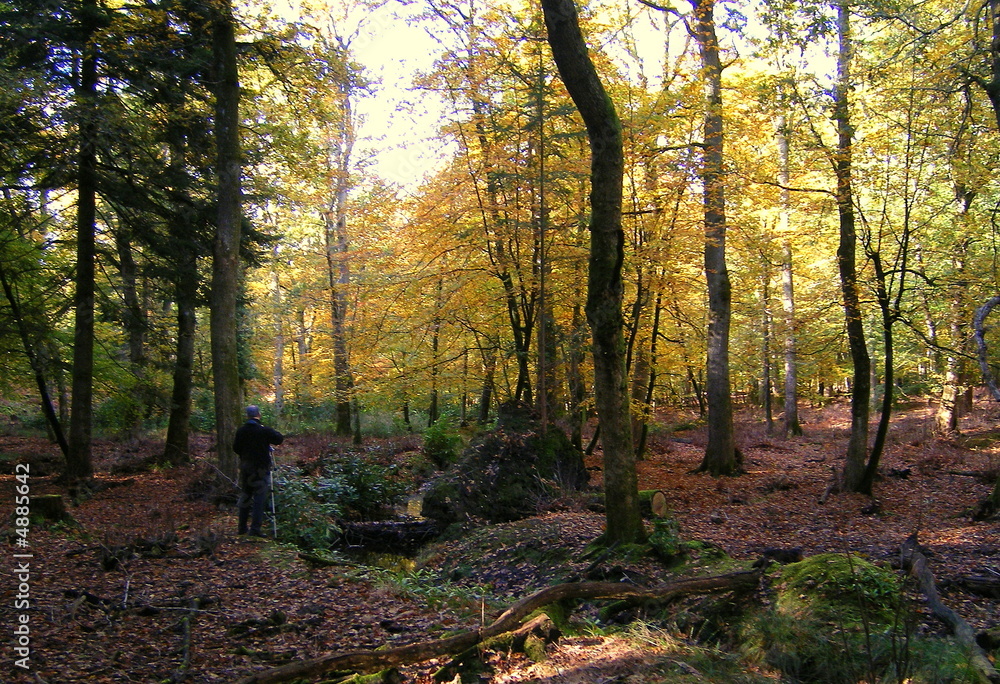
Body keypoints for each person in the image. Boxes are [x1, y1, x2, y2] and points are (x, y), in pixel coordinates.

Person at [233, 405, 284, 537]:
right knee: (259, 498)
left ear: (247, 416)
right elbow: (279, 439)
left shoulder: (241, 431)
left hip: (246, 467)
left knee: (246, 496)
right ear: (259, 415)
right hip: (261, 469)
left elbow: (236, 448)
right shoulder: (264, 430)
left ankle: (242, 527)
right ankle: (255, 529)